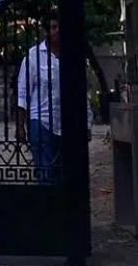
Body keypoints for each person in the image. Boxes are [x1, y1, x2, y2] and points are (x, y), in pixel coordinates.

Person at [15, 11, 91, 184]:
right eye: (52, 28)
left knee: (64, 172)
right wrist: (20, 126)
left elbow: (81, 90)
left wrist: (87, 122)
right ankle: (46, 207)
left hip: (67, 122)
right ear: (46, 31)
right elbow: (23, 92)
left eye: (58, 27)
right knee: (45, 172)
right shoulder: (34, 56)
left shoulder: (73, 56)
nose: (56, 32)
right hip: (40, 121)